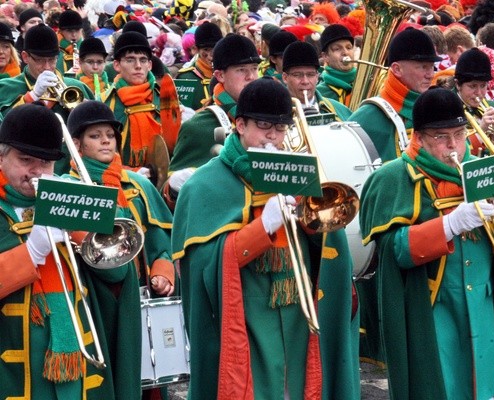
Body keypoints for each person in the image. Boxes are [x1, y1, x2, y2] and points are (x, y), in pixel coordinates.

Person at [172, 78, 359, 399]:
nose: (273, 136)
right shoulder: (204, 184)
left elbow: (329, 249)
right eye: (263, 126)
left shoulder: (298, 172)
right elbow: (201, 269)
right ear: (239, 125)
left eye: (281, 128)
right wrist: (263, 227)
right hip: (244, 316)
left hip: (300, 313)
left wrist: (308, 219)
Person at [359, 87, 494, 399]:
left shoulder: (480, 168)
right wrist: (449, 225)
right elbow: (393, 251)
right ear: (419, 137)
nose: (453, 144)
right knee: (441, 388)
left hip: (483, 304)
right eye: (441, 137)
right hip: (432, 309)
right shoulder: (394, 177)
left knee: (485, 388)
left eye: (459, 133)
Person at [0, 103, 113, 399]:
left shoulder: (66, 192)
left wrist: (84, 232)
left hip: (77, 359)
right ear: (2, 156)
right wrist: (32, 252)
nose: (36, 171)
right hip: (12, 370)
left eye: (46, 163)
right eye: (25, 159)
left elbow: (116, 274)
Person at [64, 100, 175, 400]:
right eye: (95, 136)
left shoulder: (137, 185)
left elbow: (160, 240)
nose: (105, 141)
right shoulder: (67, 186)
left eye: (110, 135)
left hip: (139, 292)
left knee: (148, 377)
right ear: (77, 143)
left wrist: (163, 272)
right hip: (95, 297)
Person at [165, 34, 261, 208]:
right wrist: (172, 189)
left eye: (254, 68)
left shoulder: (268, 115)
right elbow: (169, 199)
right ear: (220, 75)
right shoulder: (199, 126)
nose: (251, 77)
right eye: (241, 70)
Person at [0, 24, 93, 174]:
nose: (47, 67)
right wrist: (32, 96)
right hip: (26, 171)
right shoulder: (5, 87)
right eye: (39, 60)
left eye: (52, 60)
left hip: (71, 171)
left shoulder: (77, 87)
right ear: (25, 57)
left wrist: (86, 112)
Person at [349, 28, 441, 163]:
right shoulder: (368, 116)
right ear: (397, 69)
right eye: (423, 67)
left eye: (432, 67)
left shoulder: (436, 108)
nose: (431, 75)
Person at [101, 31, 181, 173]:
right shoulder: (104, 103)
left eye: (143, 60)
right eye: (130, 60)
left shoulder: (165, 97)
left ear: (150, 65)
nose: (138, 66)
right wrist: (129, 172)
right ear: (117, 65)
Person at [453, 48, 494, 154]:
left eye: (483, 85)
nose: (479, 92)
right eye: (472, 86)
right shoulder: (446, 110)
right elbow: (453, 152)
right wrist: (481, 131)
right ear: (457, 84)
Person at [282, 40, 351, 120]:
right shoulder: (273, 111)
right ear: (285, 78)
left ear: (317, 77)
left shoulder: (338, 109)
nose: (305, 81)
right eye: (297, 75)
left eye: (310, 75)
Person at [176, 21, 223, 110]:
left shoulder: (228, 73)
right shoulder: (186, 77)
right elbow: (182, 116)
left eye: (215, 49)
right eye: (206, 50)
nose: (211, 55)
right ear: (196, 49)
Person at [316, 24, 356, 106]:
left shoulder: (367, 83)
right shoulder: (319, 93)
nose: (345, 52)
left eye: (349, 47)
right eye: (337, 49)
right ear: (325, 56)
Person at [56, 9, 84, 76]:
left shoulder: (87, 48)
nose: (74, 34)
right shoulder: (55, 51)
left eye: (77, 30)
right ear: (61, 31)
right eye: (69, 31)